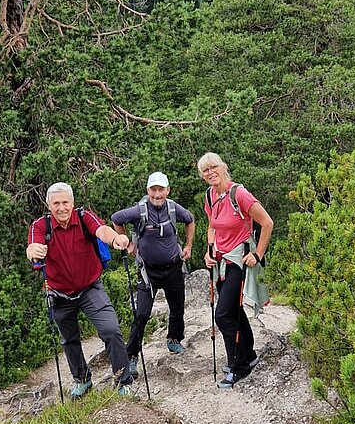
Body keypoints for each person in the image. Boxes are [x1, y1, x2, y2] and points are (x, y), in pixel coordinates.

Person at [26, 182, 133, 399]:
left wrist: (115, 239)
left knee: (111, 329)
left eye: (65, 202)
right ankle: (82, 380)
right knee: (69, 339)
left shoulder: (85, 217)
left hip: (90, 288)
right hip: (59, 293)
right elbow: (32, 248)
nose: (61, 207)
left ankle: (123, 380)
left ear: (72, 203)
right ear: (49, 206)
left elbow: (102, 230)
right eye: (56, 203)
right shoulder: (40, 226)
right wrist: (33, 251)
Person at [198, 153, 273, 388]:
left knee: (223, 315)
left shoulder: (238, 194)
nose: (209, 173)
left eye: (213, 168)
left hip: (239, 262)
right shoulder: (210, 196)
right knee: (234, 311)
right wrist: (209, 251)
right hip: (221, 261)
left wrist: (257, 255)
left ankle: (237, 366)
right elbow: (212, 227)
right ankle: (247, 356)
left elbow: (267, 223)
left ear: (223, 167)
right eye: (204, 171)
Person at [111, 171, 195, 376]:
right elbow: (116, 219)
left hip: (174, 266)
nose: (157, 194)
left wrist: (189, 246)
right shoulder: (139, 211)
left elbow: (190, 220)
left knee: (177, 308)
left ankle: (174, 339)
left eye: (161, 190)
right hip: (148, 271)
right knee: (142, 314)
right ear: (148, 190)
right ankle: (131, 356)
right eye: (153, 190)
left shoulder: (174, 208)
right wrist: (127, 243)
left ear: (168, 190)